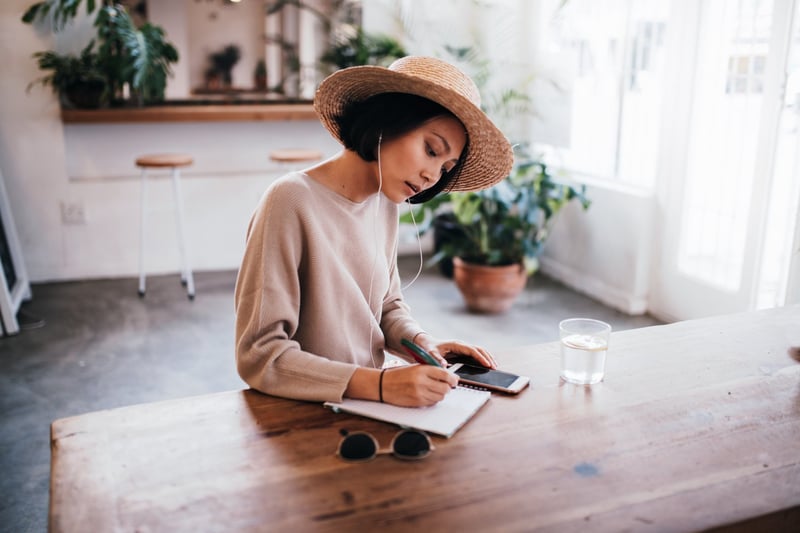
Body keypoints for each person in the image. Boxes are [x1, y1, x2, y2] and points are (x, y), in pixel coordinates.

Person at [234, 56, 513, 407]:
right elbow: (260, 354)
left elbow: (386, 307)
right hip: (303, 411)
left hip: (369, 407)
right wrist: (380, 385)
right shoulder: (290, 200)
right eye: (430, 149)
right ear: (387, 121)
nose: (432, 176)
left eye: (445, 167)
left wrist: (422, 344)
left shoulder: (384, 202)